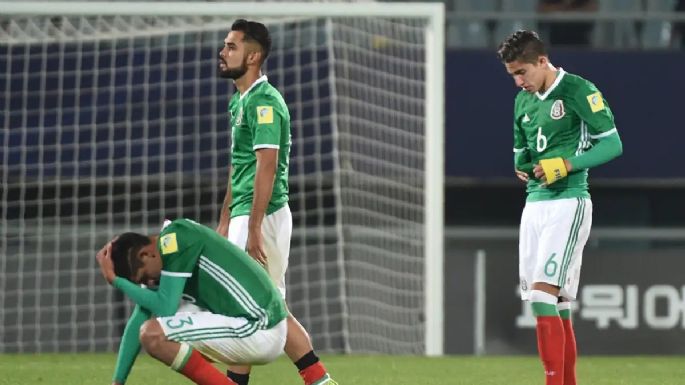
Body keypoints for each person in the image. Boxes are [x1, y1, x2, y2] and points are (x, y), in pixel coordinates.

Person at [497, 30, 623, 385]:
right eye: (513, 76)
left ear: (542, 61)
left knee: (541, 295)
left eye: (523, 73)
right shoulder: (523, 101)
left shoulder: (578, 90)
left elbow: (613, 145)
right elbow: (522, 146)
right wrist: (521, 161)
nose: (519, 82)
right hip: (534, 204)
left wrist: (567, 164)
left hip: (569, 200)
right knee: (558, 303)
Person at [215, 19, 336, 385]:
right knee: (258, 308)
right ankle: (320, 381)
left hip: (263, 214)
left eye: (231, 46)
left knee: (256, 307)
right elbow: (241, 169)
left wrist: (252, 227)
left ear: (253, 56)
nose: (223, 52)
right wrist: (224, 221)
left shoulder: (265, 102)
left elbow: (267, 165)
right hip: (246, 214)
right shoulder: (241, 100)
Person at [95, 218, 288, 385]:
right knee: (152, 331)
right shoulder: (165, 255)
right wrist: (117, 381)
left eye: (144, 278)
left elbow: (165, 308)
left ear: (146, 254)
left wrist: (117, 282)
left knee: (154, 334)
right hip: (254, 325)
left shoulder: (174, 240)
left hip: (259, 327)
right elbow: (138, 321)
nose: (149, 283)